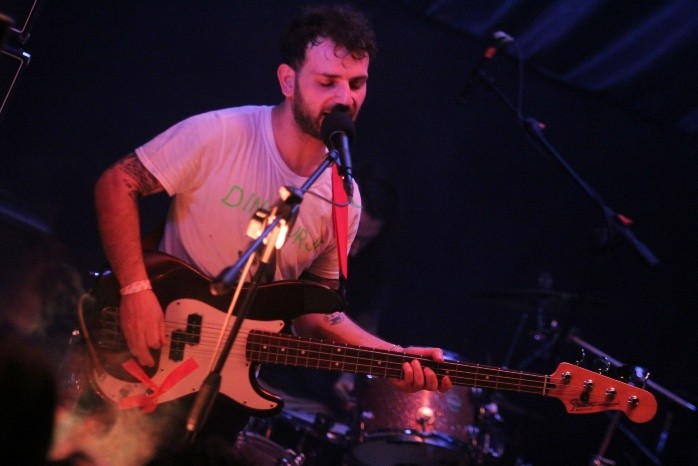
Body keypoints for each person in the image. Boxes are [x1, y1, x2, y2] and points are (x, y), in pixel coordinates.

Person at [92, 2, 452, 456]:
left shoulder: (345, 197)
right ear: (287, 80)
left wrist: (392, 357)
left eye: (357, 83)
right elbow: (117, 184)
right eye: (328, 82)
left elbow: (316, 314)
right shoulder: (221, 134)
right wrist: (135, 291)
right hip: (149, 356)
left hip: (226, 397)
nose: (345, 99)